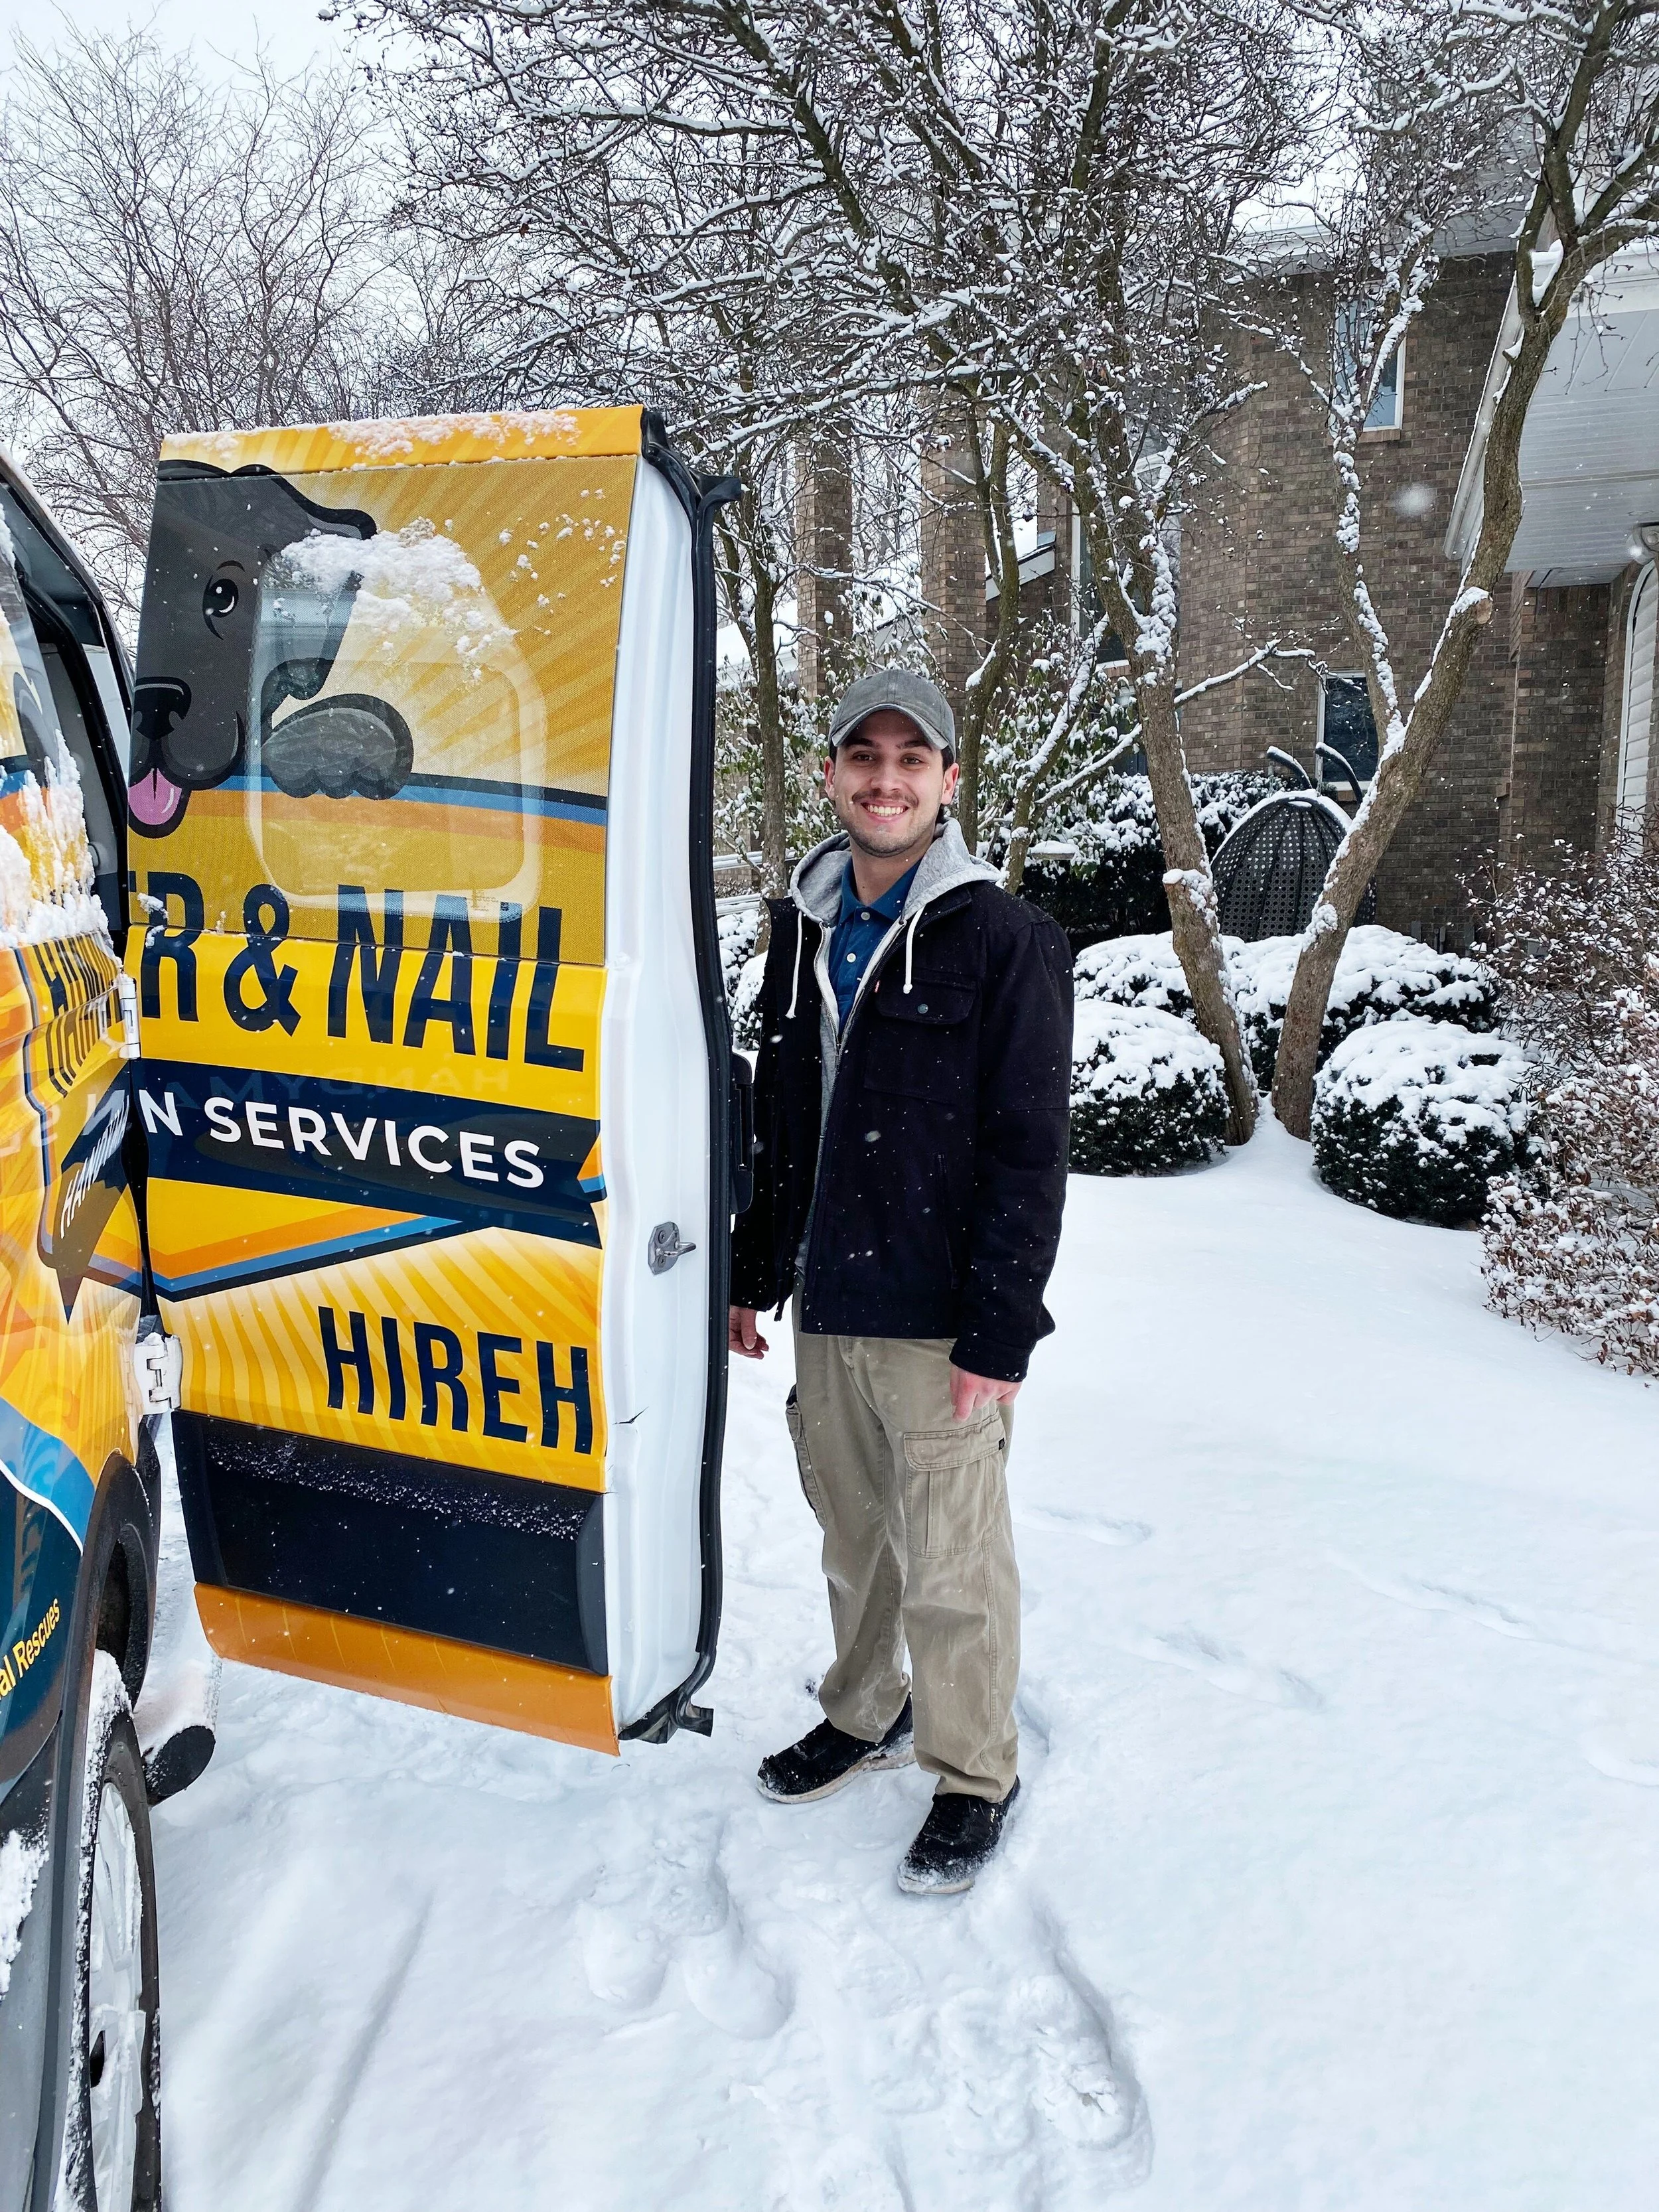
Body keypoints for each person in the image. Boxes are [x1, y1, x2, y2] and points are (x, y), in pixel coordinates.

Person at [730, 666, 1073, 1894]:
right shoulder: (800, 927)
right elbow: (781, 1112)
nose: (885, 781)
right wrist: (751, 1272)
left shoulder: (1005, 939)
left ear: (948, 782)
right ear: (830, 775)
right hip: (828, 1304)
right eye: (862, 758)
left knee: (954, 1562)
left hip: (939, 1323)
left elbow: (1029, 1151)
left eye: (909, 760)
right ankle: (865, 1709)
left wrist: (998, 1334)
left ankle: (977, 1770)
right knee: (855, 1537)